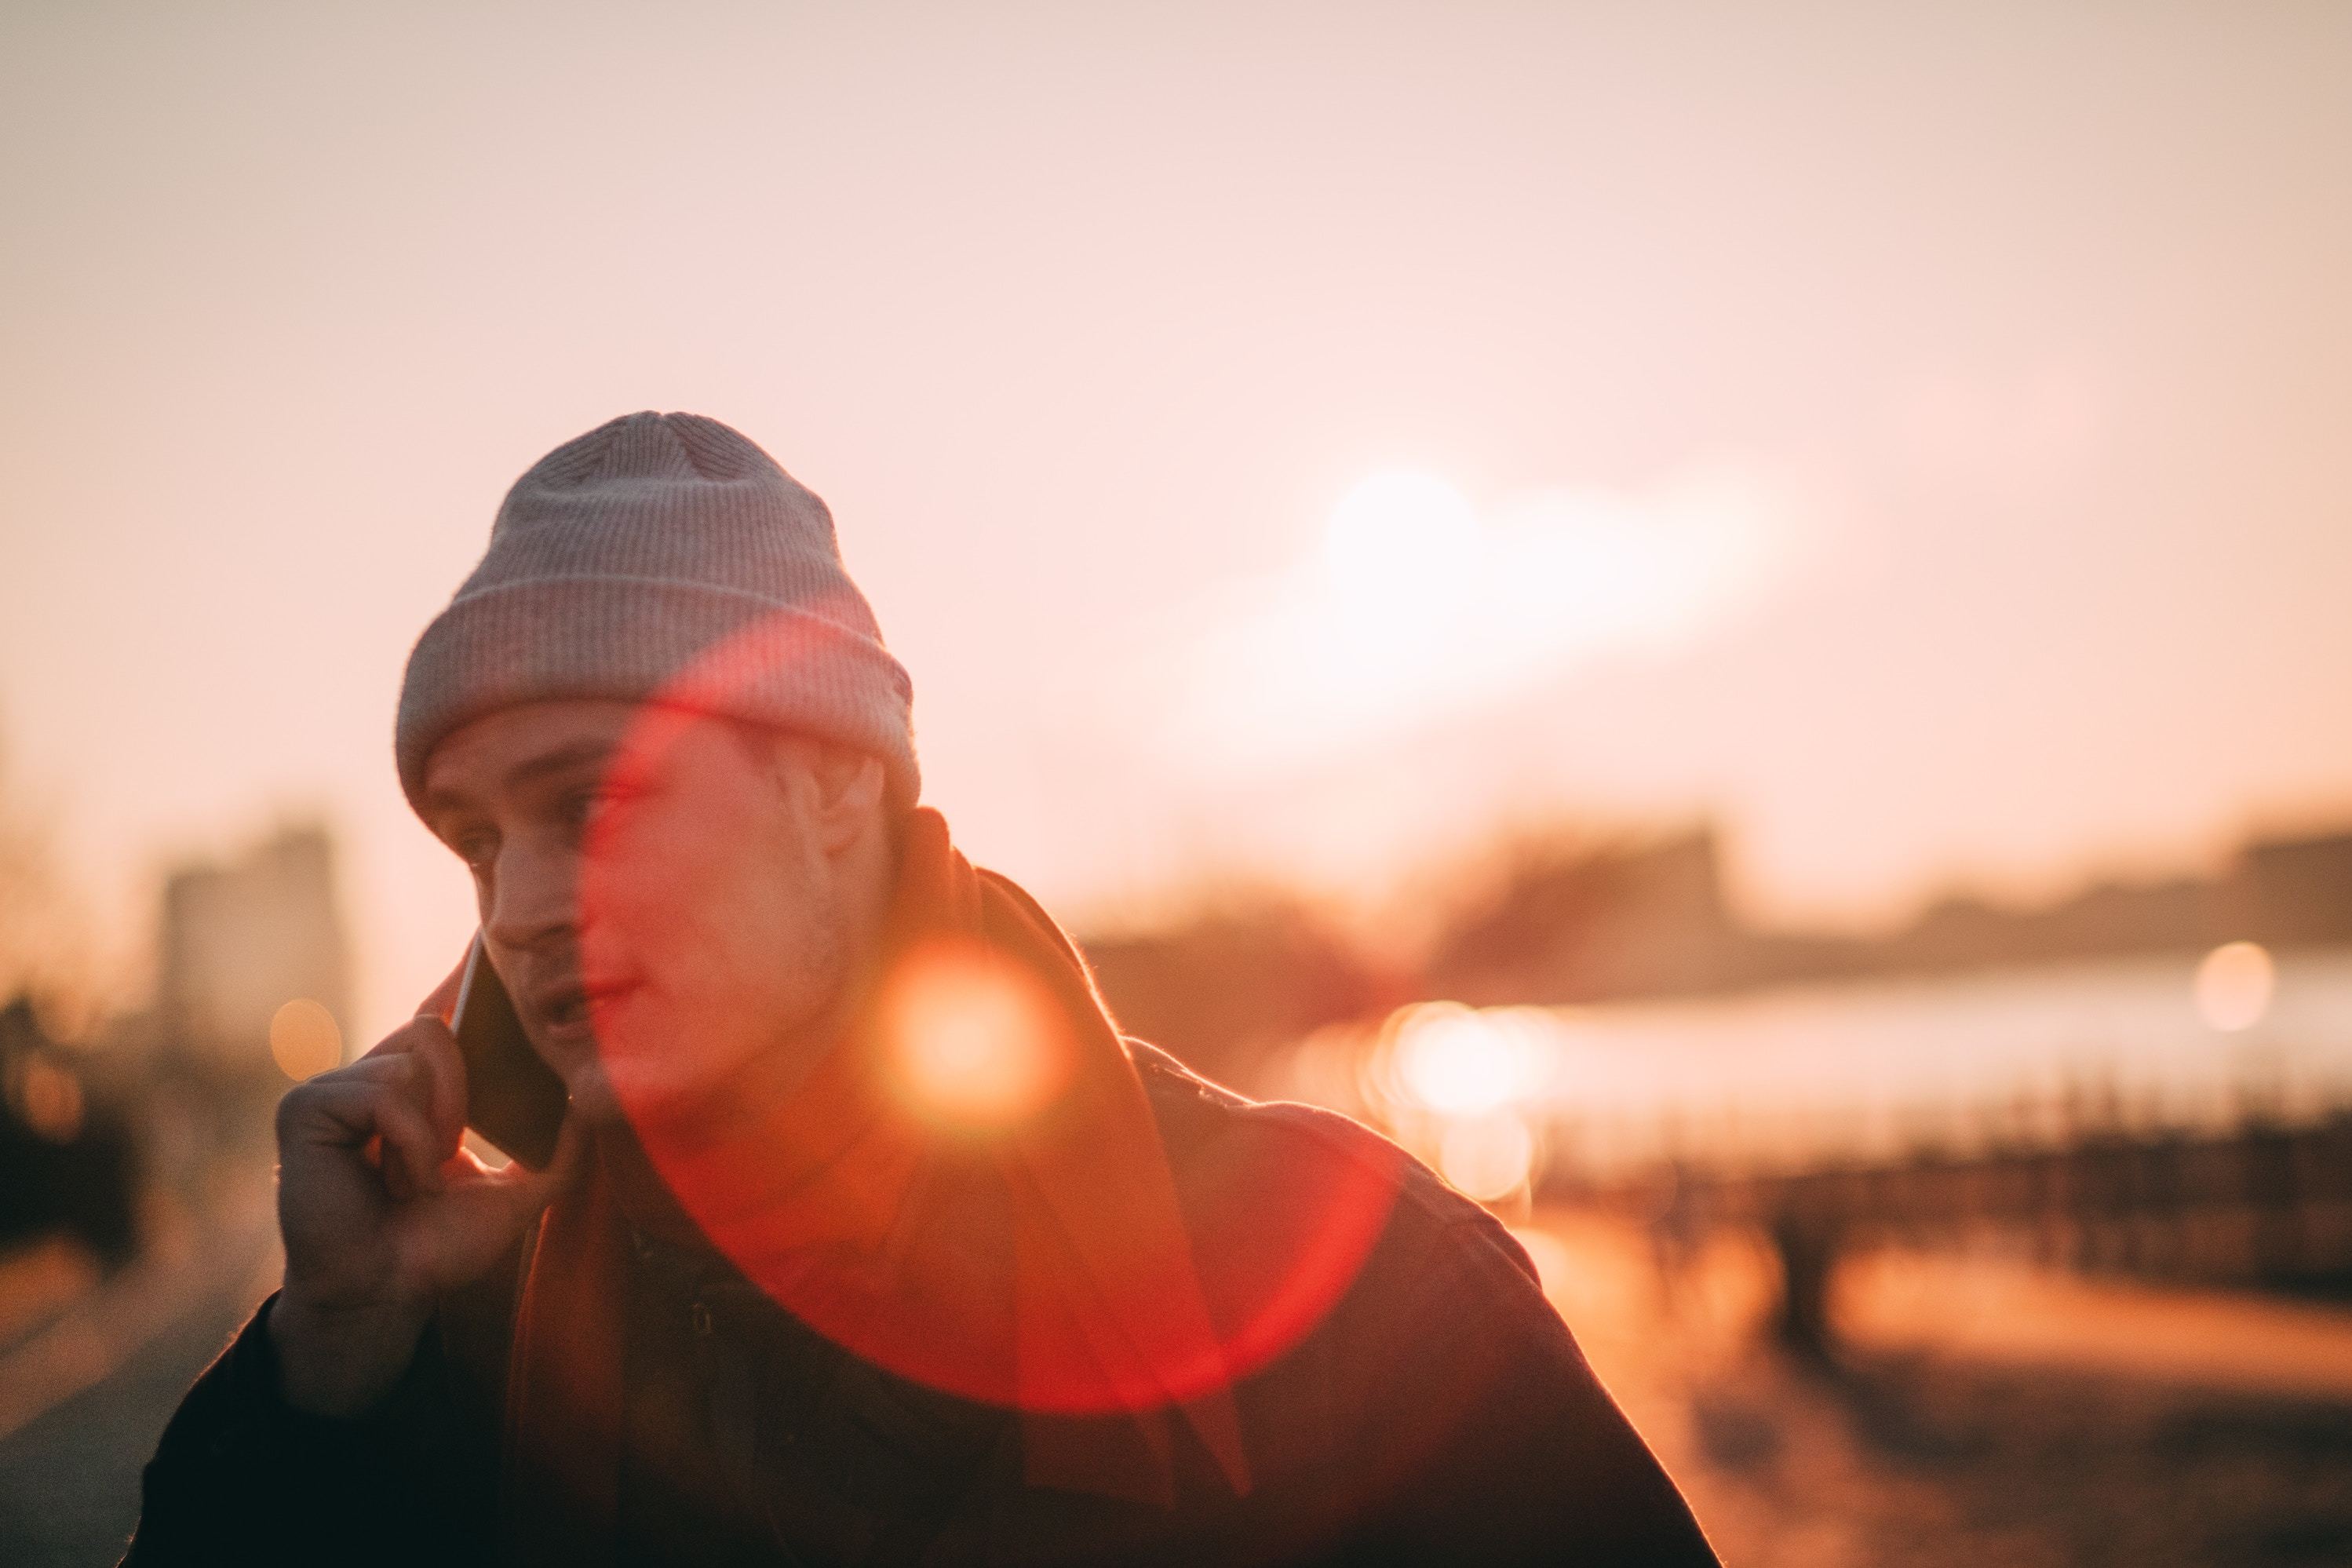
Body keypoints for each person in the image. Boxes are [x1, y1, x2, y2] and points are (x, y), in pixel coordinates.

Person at [126, 412, 1719, 1566]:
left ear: (833, 789)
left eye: (593, 804)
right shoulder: (427, 1359)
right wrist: (319, 1382)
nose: (521, 911)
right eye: (476, 843)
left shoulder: (1350, 1292)